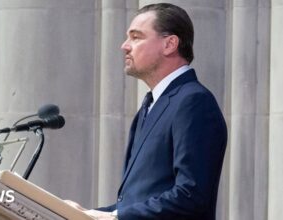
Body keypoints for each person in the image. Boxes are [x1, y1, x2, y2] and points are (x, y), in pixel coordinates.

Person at [68, 3, 227, 220]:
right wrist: (87, 214)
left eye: (136, 37)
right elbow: (137, 201)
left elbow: (191, 196)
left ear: (170, 44)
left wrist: (115, 218)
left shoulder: (194, 102)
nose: (125, 46)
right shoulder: (150, 105)